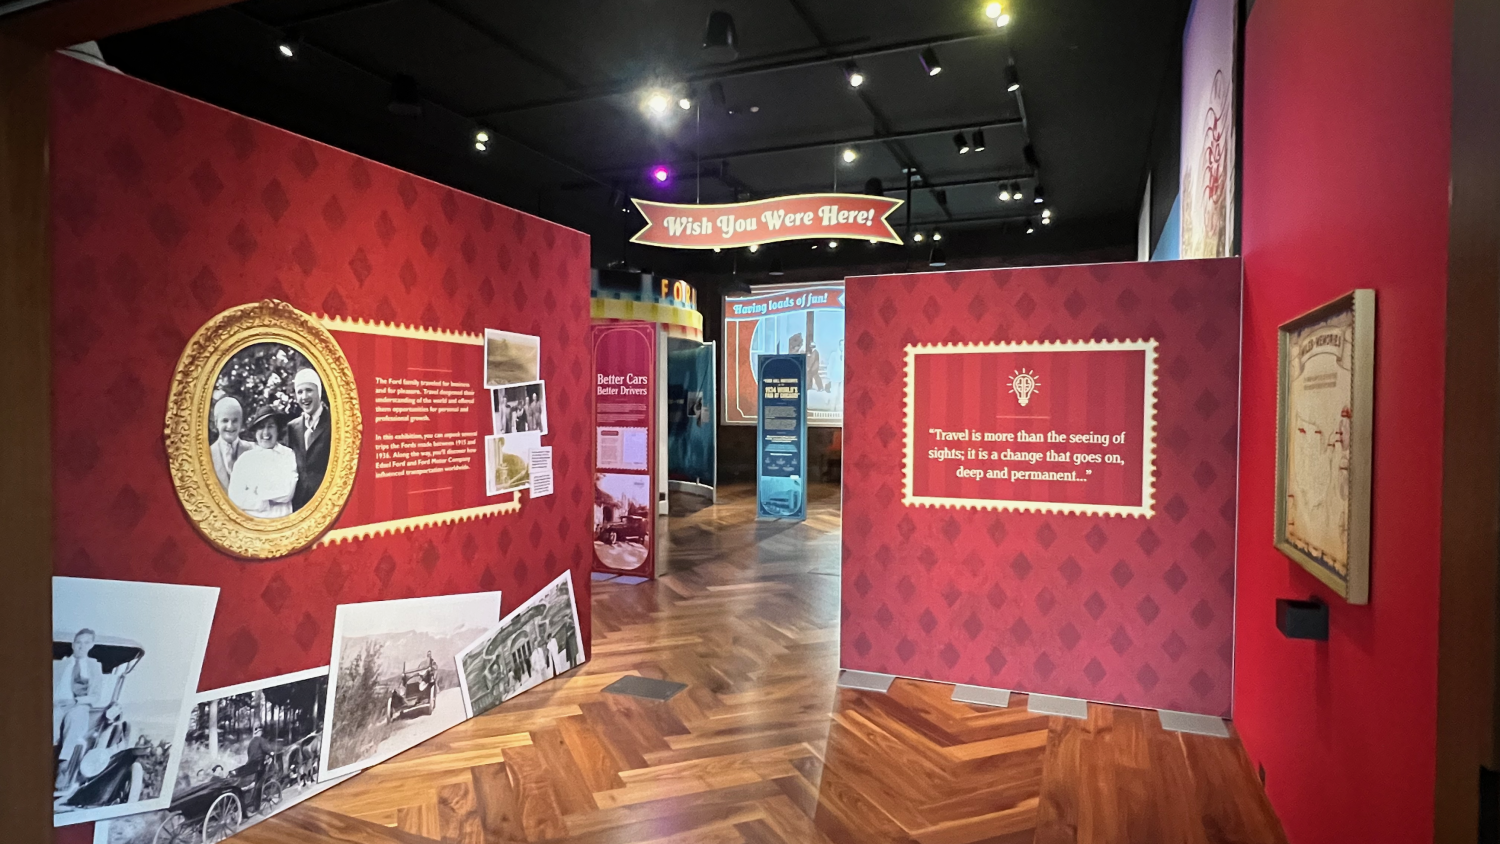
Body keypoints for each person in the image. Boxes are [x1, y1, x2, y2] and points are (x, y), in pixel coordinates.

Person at [54, 628, 104, 790]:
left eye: (86, 643)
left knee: (76, 718)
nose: (82, 646)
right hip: (57, 703)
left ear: (91, 645)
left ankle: (64, 763)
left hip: (78, 703)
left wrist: (77, 700)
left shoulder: (94, 667)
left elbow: (96, 696)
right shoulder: (59, 665)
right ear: (73, 644)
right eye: (78, 642)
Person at [229, 407, 298, 518]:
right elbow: (235, 497)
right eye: (261, 427)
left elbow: (287, 493)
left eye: (270, 426)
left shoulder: (288, 455)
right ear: (255, 432)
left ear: (277, 430)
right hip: (252, 524)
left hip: (282, 521)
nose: (266, 432)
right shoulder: (245, 460)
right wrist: (264, 503)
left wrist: (256, 491)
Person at [288, 368, 331, 510]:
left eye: (309, 390)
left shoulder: (334, 423)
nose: (304, 397)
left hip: (326, 502)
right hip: (299, 505)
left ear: (318, 392)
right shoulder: (293, 427)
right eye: (300, 392)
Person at [209, 397, 254, 493]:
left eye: (235, 420)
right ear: (216, 422)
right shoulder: (206, 455)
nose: (230, 426)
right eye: (225, 420)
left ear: (241, 422)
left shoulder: (253, 451)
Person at [244, 725, 280, 810]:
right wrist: (271, 753)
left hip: (250, 765)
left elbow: (249, 753)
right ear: (260, 733)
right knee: (261, 781)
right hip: (259, 765)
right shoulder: (261, 740)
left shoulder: (251, 742)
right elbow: (266, 749)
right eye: (261, 732)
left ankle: (253, 797)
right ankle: (257, 804)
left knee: (256, 780)